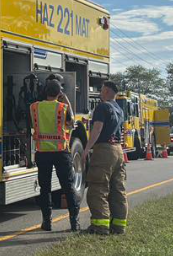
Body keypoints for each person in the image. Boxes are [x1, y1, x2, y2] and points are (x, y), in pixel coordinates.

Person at [29, 77, 79, 232]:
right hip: (61, 152)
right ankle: (74, 222)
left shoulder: (34, 107)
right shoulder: (63, 108)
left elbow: (32, 124)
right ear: (60, 93)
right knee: (68, 187)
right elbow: (72, 122)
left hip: (42, 153)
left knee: (45, 188)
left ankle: (47, 221)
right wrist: (67, 100)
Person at [83, 80, 128, 235]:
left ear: (108, 91)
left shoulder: (102, 107)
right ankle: (119, 226)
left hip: (104, 150)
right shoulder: (119, 109)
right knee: (118, 190)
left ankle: (100, 227)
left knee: (97, 188)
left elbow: (97, 129)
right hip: (118, 150)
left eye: (101, 90)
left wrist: (86, 149)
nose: (100, 93)